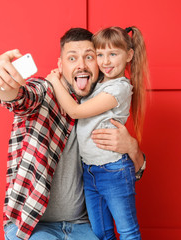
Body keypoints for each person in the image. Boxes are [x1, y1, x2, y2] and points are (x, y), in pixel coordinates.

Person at [0, 28, 146, 240]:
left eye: (89, 56)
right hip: (33, 226)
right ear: (60, 65)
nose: (81, 65)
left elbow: (127, 176)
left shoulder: (104, 100)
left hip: (82, 226)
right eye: (72, 58)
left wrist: (133, 148)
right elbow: (20, 98)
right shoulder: (46, 91)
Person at [46, 26, 149, 240]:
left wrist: (55, 81)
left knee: (128, 231)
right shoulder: (97, 84)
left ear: (129, 55)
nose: (106, 62)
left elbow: (75, 111)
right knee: (101, 232)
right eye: (100, 55)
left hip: (113, 169)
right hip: (91, 172)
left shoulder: (118, 87)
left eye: (113, 54)